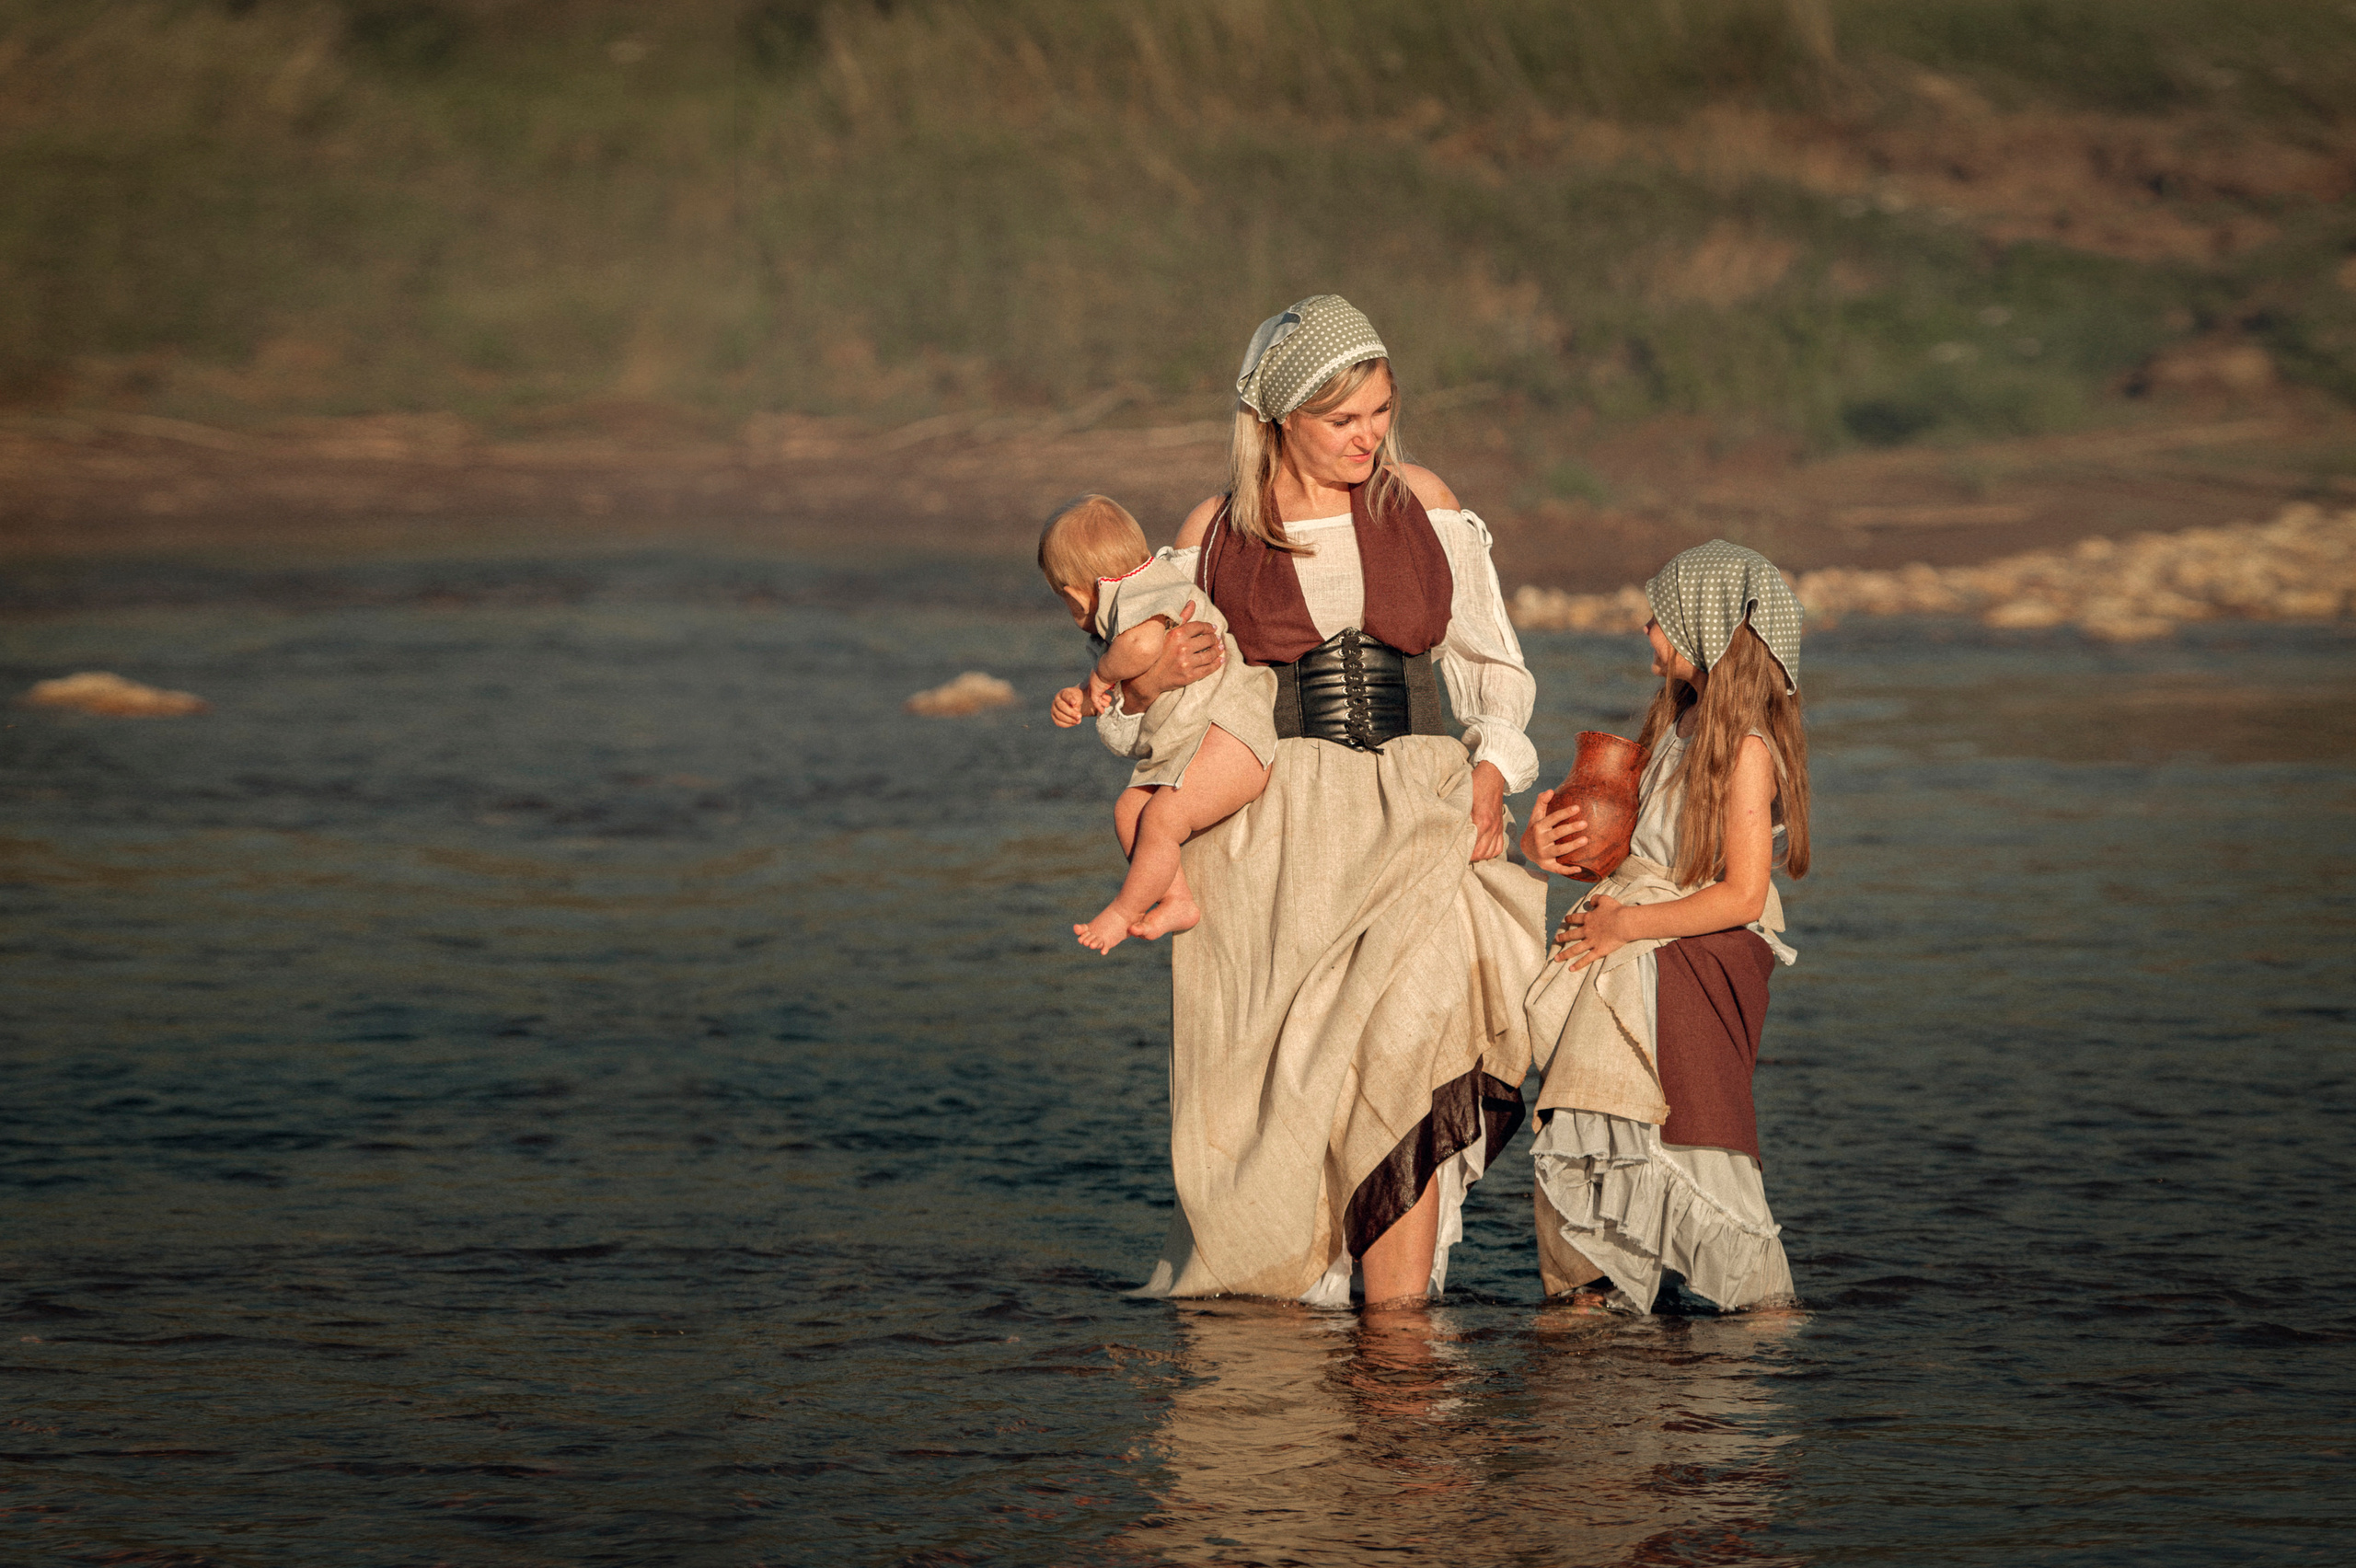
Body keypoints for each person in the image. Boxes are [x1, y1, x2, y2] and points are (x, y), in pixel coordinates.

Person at [1102, 294, 1548, 1308]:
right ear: (1276, 418)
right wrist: (1146, 677)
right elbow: (1161, 715)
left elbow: (1492, 666)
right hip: (1279, 832)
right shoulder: (1213, 532)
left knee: (1413, 1056)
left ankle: (1401, 1331)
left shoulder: (1422, 502)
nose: (1368, 436)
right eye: (1342, 418)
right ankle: (1299, 1327)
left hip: (1422, 803)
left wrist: (1490, 771)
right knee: (1295, 1086)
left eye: (1381, 412)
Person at [1519, 539, 1811, 1314]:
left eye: (1659, 618)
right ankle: (1593, 1297)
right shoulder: (1677, 725)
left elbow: (1743, 896)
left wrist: (1626, 926)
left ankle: (1758, 1320)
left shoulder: (1746, 749)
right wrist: (1546, 849)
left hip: (1690, 959)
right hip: (1637, 936)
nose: (1646, 631)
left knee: (1691, 1137)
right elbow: (1633, 851)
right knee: (1595, 1114)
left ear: (1702, 628)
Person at [1039, 494, 1277, 953]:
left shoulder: (1143, 593)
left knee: (1164, 818)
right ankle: (1177, 898)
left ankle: (1123, 911)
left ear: (1074, 596)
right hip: (1194, 744)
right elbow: (1122, 686)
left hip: (1234, 735)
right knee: (1129, 810)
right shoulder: (1125, 608)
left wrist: (1100, 676)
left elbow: (1143, 648)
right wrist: (1081, 700)